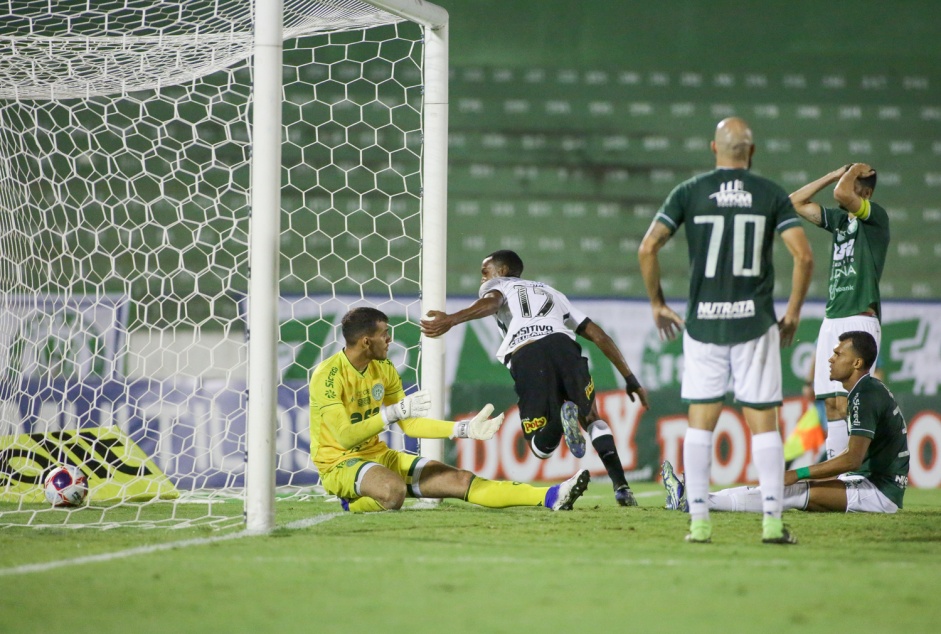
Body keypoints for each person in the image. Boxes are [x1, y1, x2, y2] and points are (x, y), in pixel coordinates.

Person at [637, 117, 814, 544]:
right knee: (764, 425)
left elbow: (647, 248)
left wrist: (658, 304)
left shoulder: (690, 192)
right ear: (751, 152)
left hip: (704, 325)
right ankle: (772, 522)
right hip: (755, 324)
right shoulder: (770, 194)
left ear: (712, 149)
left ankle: (699, 523)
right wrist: (791, 313)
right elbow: (803, 257)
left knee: (700, 425)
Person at [420, 250, 649, 507]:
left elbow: (492, 303)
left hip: (527, 354)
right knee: (592, 417)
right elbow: (599, 336)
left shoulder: (498, 286)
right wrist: (630, 378)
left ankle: (562, 419)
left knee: (541, 448)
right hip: (563, 346)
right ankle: (621, 487)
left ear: (503, 271)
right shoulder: (553, 293)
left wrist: (451, 319)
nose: (482, 280)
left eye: (485, 272)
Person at [310, 307, 590, 513]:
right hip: (338, 463)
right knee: (392, 491)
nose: (390, 340)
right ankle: (352, 503)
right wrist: (391, 414)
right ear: (366, 342)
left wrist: (462, 429)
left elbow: (411, 425)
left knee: (460, 480)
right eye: (385, 334)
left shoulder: (383, 368)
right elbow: (345, 437)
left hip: (378, 456)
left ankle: (552, 497)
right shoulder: (328, 376)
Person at [662, 331, 909, 515]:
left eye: (838, 354)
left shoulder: (864, 394)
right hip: (873, 484)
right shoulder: (866, 390)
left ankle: (696, 501)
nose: (830, 359)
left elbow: (852, 459)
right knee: (787, 487)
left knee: (790, 490)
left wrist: (796, 473)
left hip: (880, 493)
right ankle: (696, 497)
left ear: (857, 363)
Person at [789, 164, 888, 461]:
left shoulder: (876, 217)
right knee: (831, 404)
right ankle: (836, 472)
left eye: (853, 183)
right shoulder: (839, 221)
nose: (844, 189)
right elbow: (795, 202)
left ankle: (861, 468)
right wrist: (832, 174)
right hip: (832, 318)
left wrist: (848, 175)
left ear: (866, 193)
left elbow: (841, 193)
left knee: (849, 404)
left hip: (859, 317)